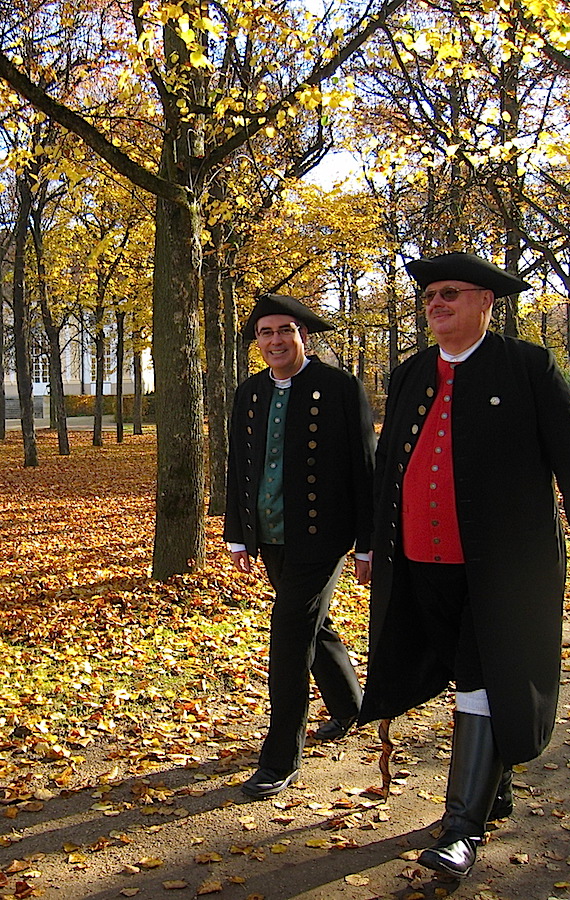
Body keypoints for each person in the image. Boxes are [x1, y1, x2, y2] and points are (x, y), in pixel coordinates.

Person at [358, 252, 570, 877]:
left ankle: (460, 829)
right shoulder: (411, 372)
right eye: (428, 297)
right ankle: (491, 787)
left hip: (506, 567)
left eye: (450, 293)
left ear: (484, 303)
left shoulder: (527, 366)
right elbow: (389, 465)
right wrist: (371, 544)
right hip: (423, 561)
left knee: (480, 674)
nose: (436, 304)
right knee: (461, 669)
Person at [225, 293, 376, 800]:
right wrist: (237, 532)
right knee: (313, 624)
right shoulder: (248, 394)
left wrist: (368, 544)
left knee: (289, 635)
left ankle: (280, 757)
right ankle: (351, 705)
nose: (274, 341)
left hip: (324, 536)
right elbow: (239, 468)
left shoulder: (339, 388)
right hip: (268, 534)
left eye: (283, 331)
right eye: (265, 333)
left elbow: (365, 470)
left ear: (302, 335)